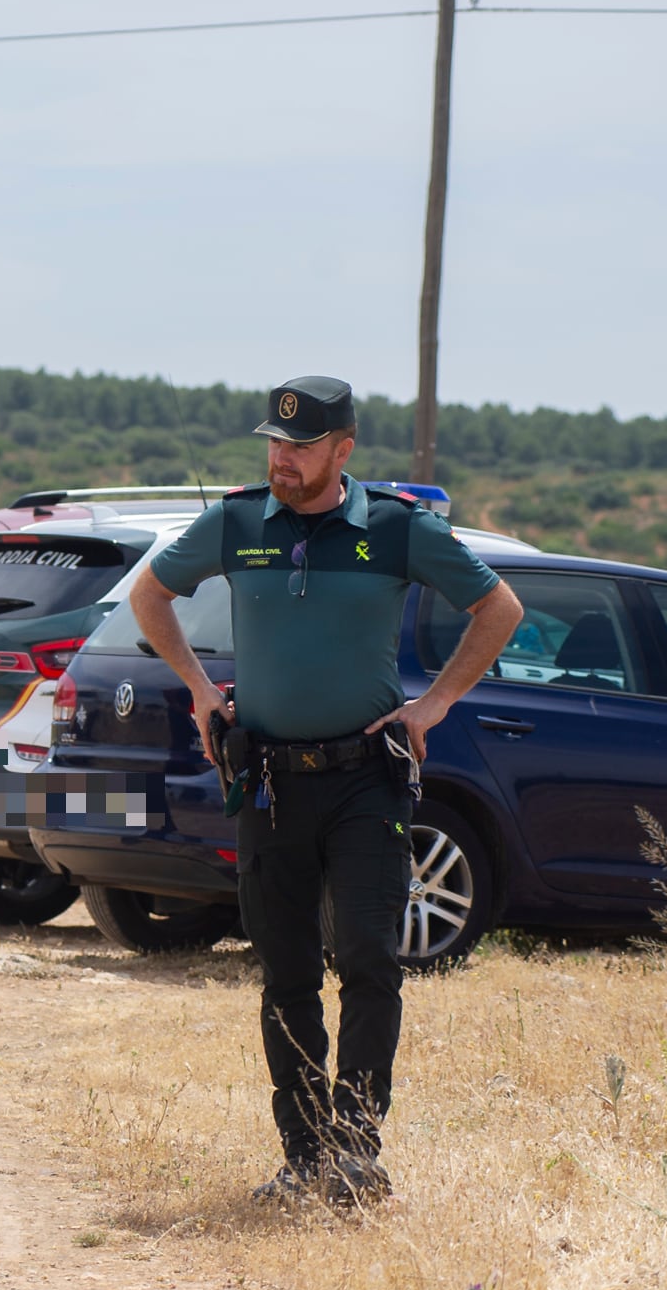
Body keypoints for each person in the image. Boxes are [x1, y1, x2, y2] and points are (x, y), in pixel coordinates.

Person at [130, 376, 522, 1207]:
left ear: (342, 450)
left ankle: (356, 1150)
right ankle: (303, 1154)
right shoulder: (236, 522)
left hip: (365, 782)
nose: (282, 460)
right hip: (269, 783)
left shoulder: (395, 529)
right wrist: (200, 688)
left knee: (372, 960)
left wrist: (435, 702)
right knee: (286, 975)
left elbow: (498, 608)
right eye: (273, 444)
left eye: (300, 448)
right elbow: (148, 593)